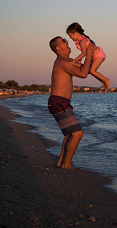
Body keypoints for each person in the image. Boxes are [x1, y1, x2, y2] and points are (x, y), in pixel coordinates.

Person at [48, 36, 94, 169]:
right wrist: (88, 52)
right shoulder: (62, 61)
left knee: (70, 133)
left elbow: (87, 69)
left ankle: (61, 162)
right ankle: (67, 165)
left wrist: (92, 54)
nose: (67, 42)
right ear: (58, 48)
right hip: (58, 102)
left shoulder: (67, 61)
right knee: (77, 134)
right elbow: (83, 74)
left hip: (60, 102)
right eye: (64, 41)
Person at [66, 22, 110, 93]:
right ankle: (103, 82)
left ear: (76, 33)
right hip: (95, 55)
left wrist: (74, 60)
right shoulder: (82, 40)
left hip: (98, 55)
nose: (70, 37)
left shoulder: (82, 41)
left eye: (70, 35)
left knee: (92, 71)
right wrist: (80, 58)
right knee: (90, 71)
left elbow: (83, 53)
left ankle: (106, 80)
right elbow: (85, 52)